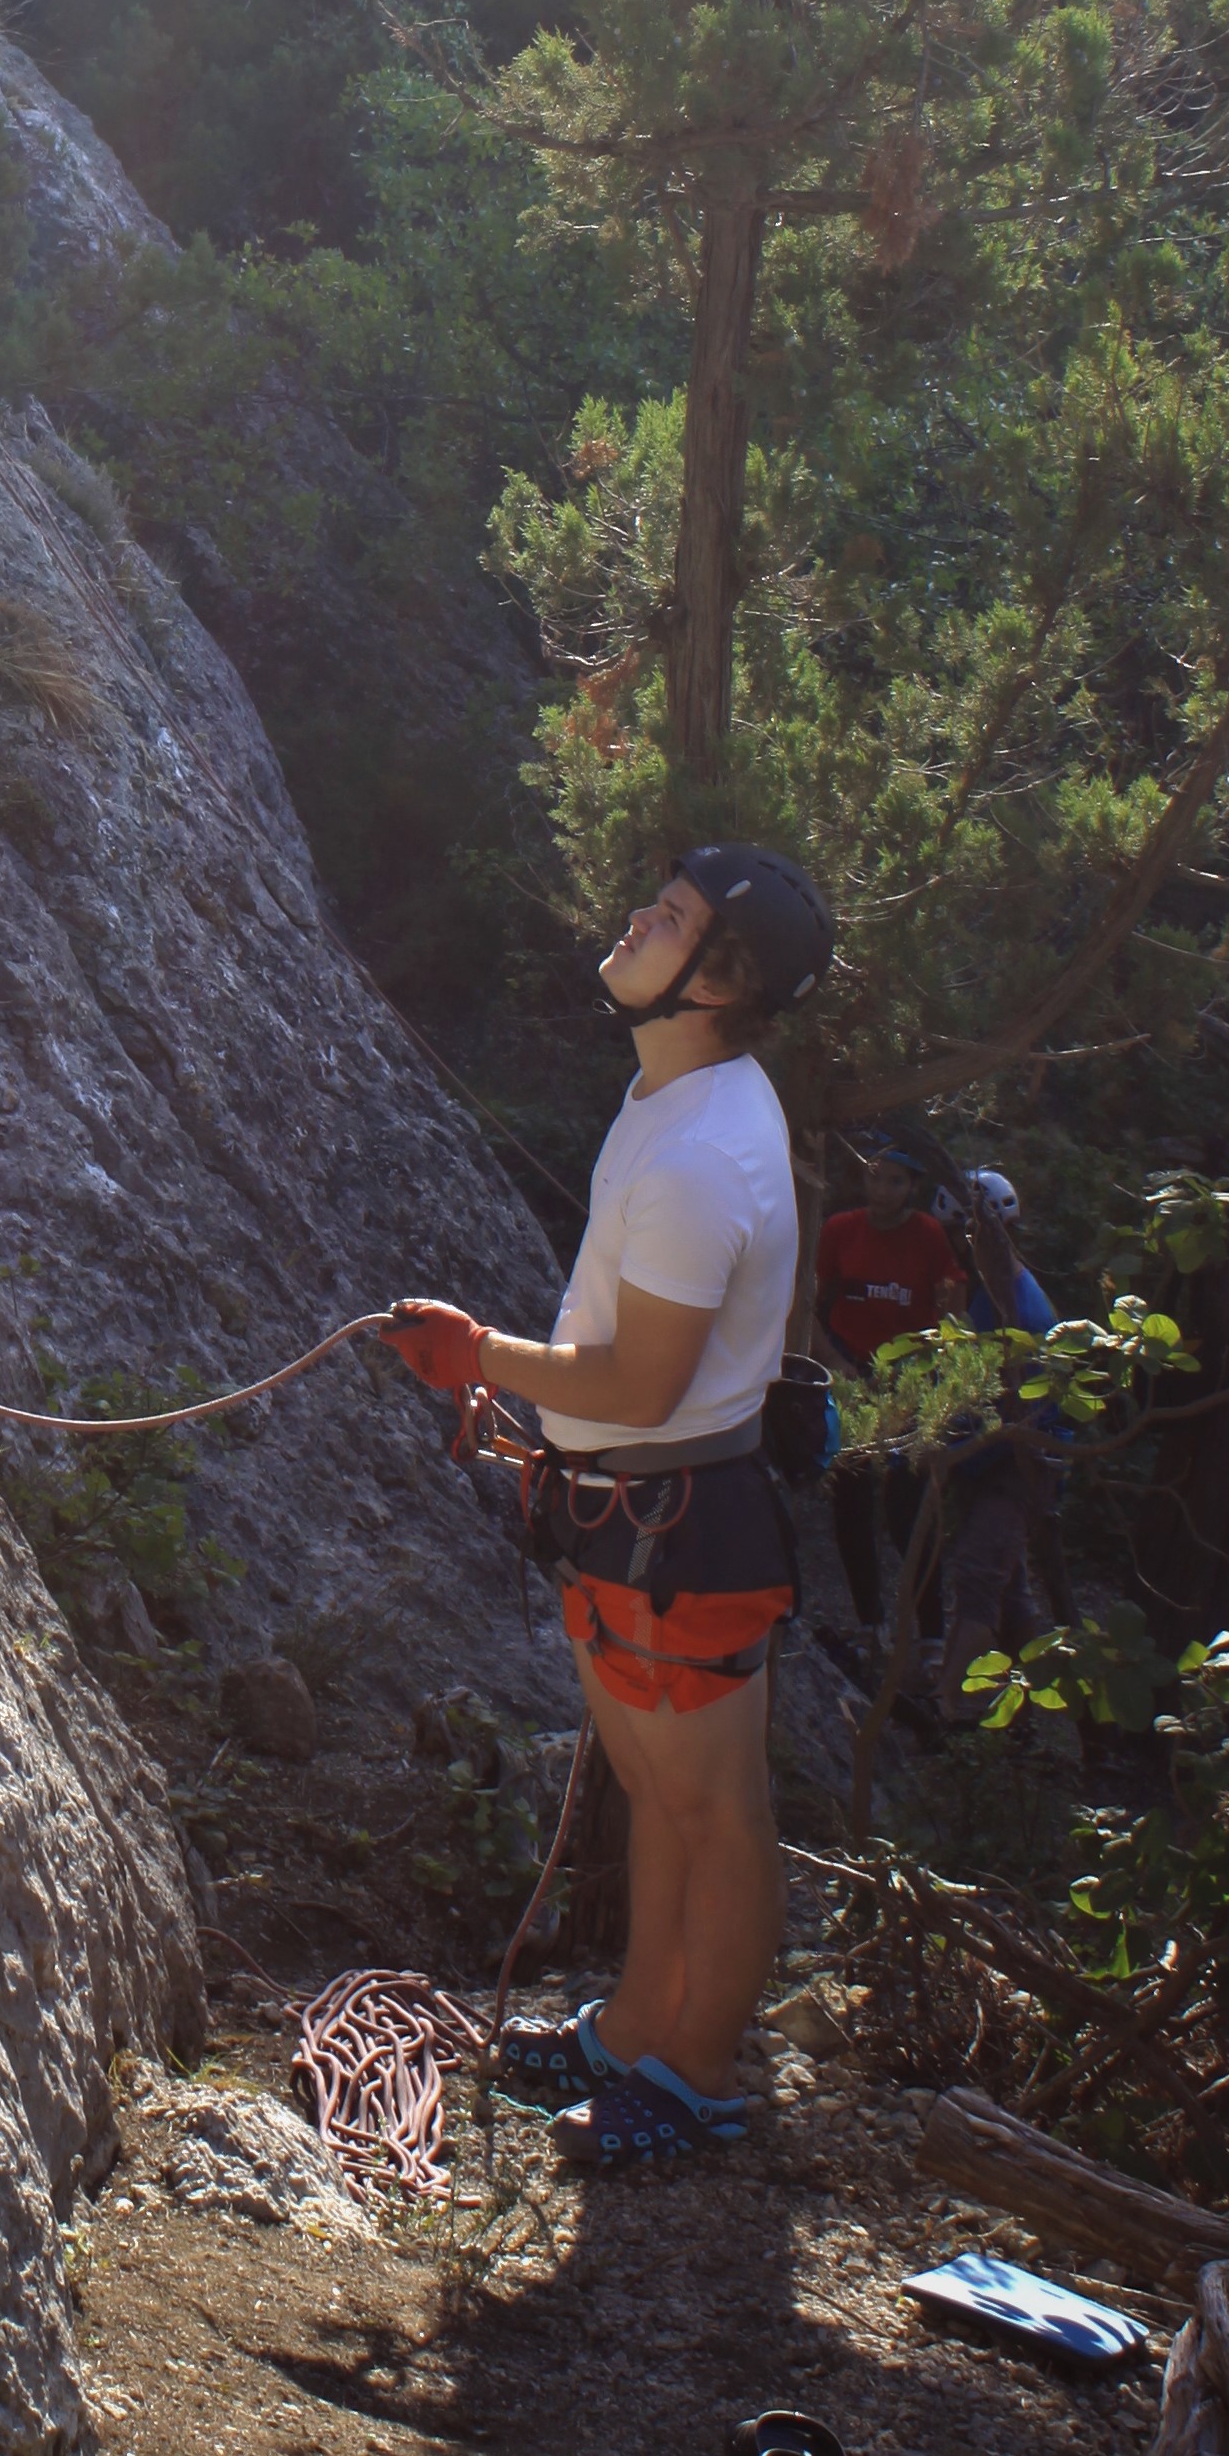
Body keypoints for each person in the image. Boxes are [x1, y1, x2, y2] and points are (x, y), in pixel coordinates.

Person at [380, 842, 834, 2173]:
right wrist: (531, 1412)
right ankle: (636, 2027)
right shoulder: (677, 1098)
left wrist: (483, 1358)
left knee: (711, 1803)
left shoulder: (701, 1154)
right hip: (636, 1514)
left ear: (718, 981)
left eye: (672, 916)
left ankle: (696, 2076)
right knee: (652, 1788)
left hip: (679, 1528)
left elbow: (645, 1381)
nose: (640, 919)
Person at [934, 1171, 1071, 1716]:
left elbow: (1007, 1409)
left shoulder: (1020, 1310)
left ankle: (953, 1708)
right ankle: (1025, 1716)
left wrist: (952, 1450)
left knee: (979, 1577)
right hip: (997, 1457)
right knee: (1009, 1588)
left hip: (1018, 1462)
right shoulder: (996, 1292)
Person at [813, 1146, 960, 1644]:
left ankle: (931, 1634)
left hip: (907, 1386)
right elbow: (804, 1301)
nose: (881, 1191)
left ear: (911, 1188)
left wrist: (936, 1384)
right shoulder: (840, 1230)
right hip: (851, 1378)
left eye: (894, 1182)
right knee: (850, 1505)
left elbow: (950, 1313)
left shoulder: (928, 1237)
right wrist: (835, 1364)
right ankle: (869, 1624)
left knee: (907, 1511)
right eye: (875, 1178)